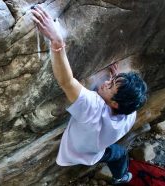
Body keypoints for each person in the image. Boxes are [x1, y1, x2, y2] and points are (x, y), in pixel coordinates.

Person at [31, 5, 148, 185]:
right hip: (97, 152)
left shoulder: (92, 109)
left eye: (110, 86)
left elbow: (67, 81)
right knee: (119, 154)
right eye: (111, 81)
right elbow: (123, 98)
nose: (105, 83)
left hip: (75, 151)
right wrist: (116, 81)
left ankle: (121, 177)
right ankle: (121, 177)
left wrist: (56, 41)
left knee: (117, 154)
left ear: (115, 103)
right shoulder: (129, 113)